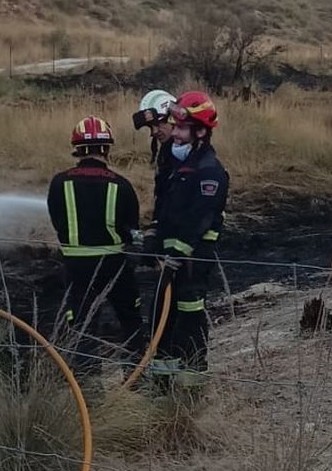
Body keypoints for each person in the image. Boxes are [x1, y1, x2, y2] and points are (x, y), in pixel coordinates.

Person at [46, 116, 144, 380]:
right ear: (107, 148)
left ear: (77, 149)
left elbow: (57, 222)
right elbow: (132, 231)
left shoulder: (58, 183)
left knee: (82, 327)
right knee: (130, 320)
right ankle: (136, 378)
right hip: (115, 266)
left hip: (76, 268)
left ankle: (88, 388)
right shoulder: (121, 186)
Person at [149, 92, 229, 389]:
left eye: (182, 129)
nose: (175, 135)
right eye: (175, 128)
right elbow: (167, 211)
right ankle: (161, 385)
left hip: (193, 262)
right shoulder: (176, 165)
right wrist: (154, 238)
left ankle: (191, 389)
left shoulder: (209, 172)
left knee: (188, 319)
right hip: (172, 260)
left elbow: (199, 221)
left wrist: (176, 255)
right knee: (162, 318)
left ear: (201, 132)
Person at [132, 89, 177, 254]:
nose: (154, 131)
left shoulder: (189, 154)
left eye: (158, 124)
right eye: (151, 127)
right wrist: (155, 227)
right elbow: (164, 196)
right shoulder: (166, 153)